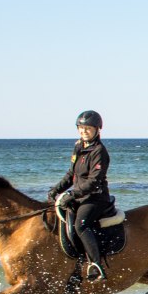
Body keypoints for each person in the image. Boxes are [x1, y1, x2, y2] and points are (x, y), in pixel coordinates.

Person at [48, 110, 110, 281]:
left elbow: (93, 181)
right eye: (81, 128)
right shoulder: (78, 147)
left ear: (97, 129)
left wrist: (71, 194)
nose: (84, 131)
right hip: (79, 196)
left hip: (96, 197)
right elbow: (71, 174)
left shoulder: (99, 151)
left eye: (88, 128)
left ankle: (96, 265)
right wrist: (56, 189)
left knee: (81, 225)